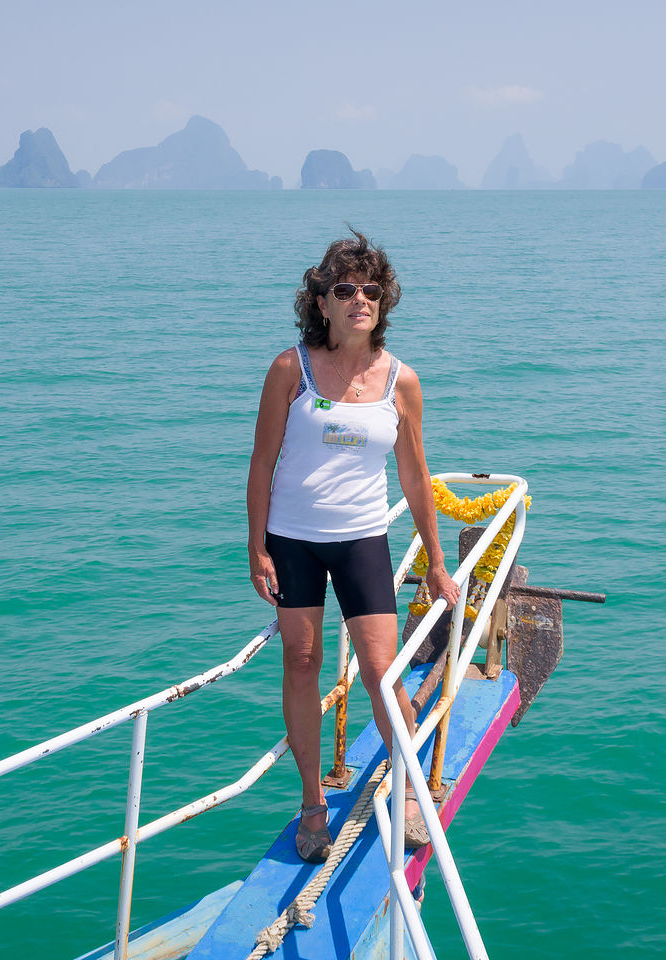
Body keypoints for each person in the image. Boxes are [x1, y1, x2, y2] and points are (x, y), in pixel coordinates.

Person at [246, 230, 459, 863]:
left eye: (370, 290)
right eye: (346, 289)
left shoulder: (401, 381)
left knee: (380, 668)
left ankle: (409, 785)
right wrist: (256, 547)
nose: (360, 299)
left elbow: (416, 476)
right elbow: (261, 464)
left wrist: (437, 560)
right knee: (303, 662)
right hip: (294, 540)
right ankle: (313, 803)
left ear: (383, 302)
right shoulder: (292, 368)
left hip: (363, 537)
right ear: (322, 302)